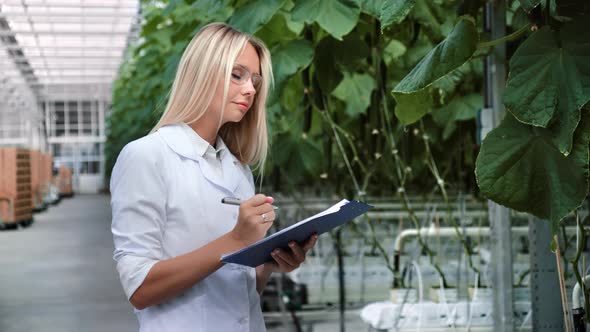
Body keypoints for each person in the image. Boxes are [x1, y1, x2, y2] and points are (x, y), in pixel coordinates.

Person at [110, 22, 318, 331]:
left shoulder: (237, 168)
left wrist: (268, 266)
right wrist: (236, 240)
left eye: (255, 81)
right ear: (202, 72)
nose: (250, 89)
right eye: (237, 75)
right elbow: (140, 289)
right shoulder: (147, 156)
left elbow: (235, 293)